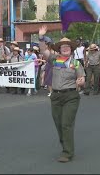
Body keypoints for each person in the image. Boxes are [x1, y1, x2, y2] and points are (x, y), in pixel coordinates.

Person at [39, 26, 85, 163]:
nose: (65, 48)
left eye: (68, 47)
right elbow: (43, 50)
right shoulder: (54, 60)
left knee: (66, 124)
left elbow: (82, 78)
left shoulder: (76, 63)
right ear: (59, 49)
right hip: (56, 96)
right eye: (63, 47)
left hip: (71, 96)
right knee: (59, 124)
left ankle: (67, 152)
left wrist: (81, 81)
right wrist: (41, 37)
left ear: (71, 49)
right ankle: (65, 143)